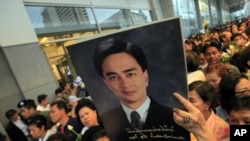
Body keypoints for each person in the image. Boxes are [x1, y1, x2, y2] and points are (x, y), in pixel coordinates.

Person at [93, 38, 191, 141]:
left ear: (145, 77)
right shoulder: (107, 121)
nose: (125, 84)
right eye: (114, 77)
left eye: (130, 74)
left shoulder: (176, 116)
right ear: (106, 83)